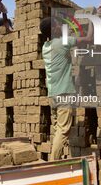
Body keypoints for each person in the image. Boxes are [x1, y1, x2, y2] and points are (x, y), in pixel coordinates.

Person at [40, 16, 93, 160]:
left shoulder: (46, 47)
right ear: (52, 29)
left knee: (58, 129)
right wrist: (93, 22)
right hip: (63, 94)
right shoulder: (62, 42)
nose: (61, 27)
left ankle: (54, 158)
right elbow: (88, 39)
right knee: (63, 130)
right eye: (58, 25)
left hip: (53, 95)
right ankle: (53, 164)